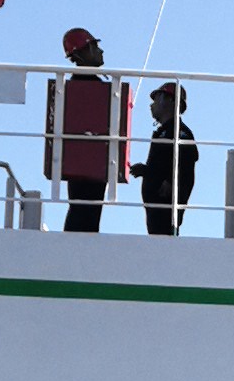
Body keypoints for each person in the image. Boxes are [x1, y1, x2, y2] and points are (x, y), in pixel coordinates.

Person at [52, 30, 127, 234]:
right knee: (85, 210)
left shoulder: (77, 86)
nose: (101, 51)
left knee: (84, 209)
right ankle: (76, 244)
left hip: (87, 161)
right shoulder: (86, 87)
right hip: (91, 161)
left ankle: (77, 242)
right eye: (95, 46)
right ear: (82, 52)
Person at [140, 79, 196, 236]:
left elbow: (186, 164)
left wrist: (172, 182)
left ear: (171, 100)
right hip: (155, 207)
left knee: (164, 238)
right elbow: (162, 166)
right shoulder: (165, 132)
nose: (151, 105)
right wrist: (146, 171)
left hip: (165, 206)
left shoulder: (179, 132)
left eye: (156, 99)